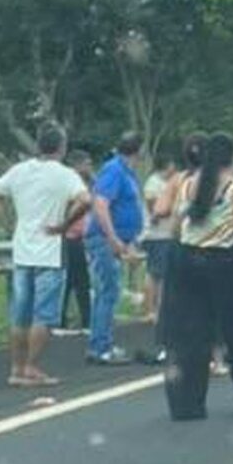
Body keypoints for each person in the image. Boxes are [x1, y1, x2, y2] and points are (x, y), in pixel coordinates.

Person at [163, 132, 233, 420]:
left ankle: (186, 403)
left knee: (190, 336)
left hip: (186, 262)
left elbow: (176, 225)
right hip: (226, 265)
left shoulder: (188, 183)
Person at [0, 124, 90, 387]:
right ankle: (31, 366)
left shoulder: (19, 171)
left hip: (22, 251)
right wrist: (65, 225)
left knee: (20, 314)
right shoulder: (64, 175)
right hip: (50, 253)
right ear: (61, 147)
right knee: (43, 315)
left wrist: (8, 223)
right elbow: (85, 200)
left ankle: (16, 368)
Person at [85, 131, 145, 365]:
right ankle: (101, 346)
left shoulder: (126, 172)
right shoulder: (114, 170)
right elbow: (100, 204)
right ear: (138, 150)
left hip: (118, 239)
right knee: (108, 292)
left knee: (108, 292)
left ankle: (102, 343)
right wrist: (112, 238)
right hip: (104, 239)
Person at [58, 150, 95, 335]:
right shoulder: (69, 185)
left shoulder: (89, 184)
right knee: (77, 280)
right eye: (86, 164)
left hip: (83, 236)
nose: (89, 167)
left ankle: (82, 319)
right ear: (77, 165)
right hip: (71, 237)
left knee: (78, 280)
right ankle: (72, 320)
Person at [139, 154, 178, 323]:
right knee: (156, 274)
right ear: (167, 164)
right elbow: (154, 207)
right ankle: (152, 310)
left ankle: (157, 309)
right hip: (157, 235)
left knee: (159, 273)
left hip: (164, 234)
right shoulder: (154, 183)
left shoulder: (164, 183)